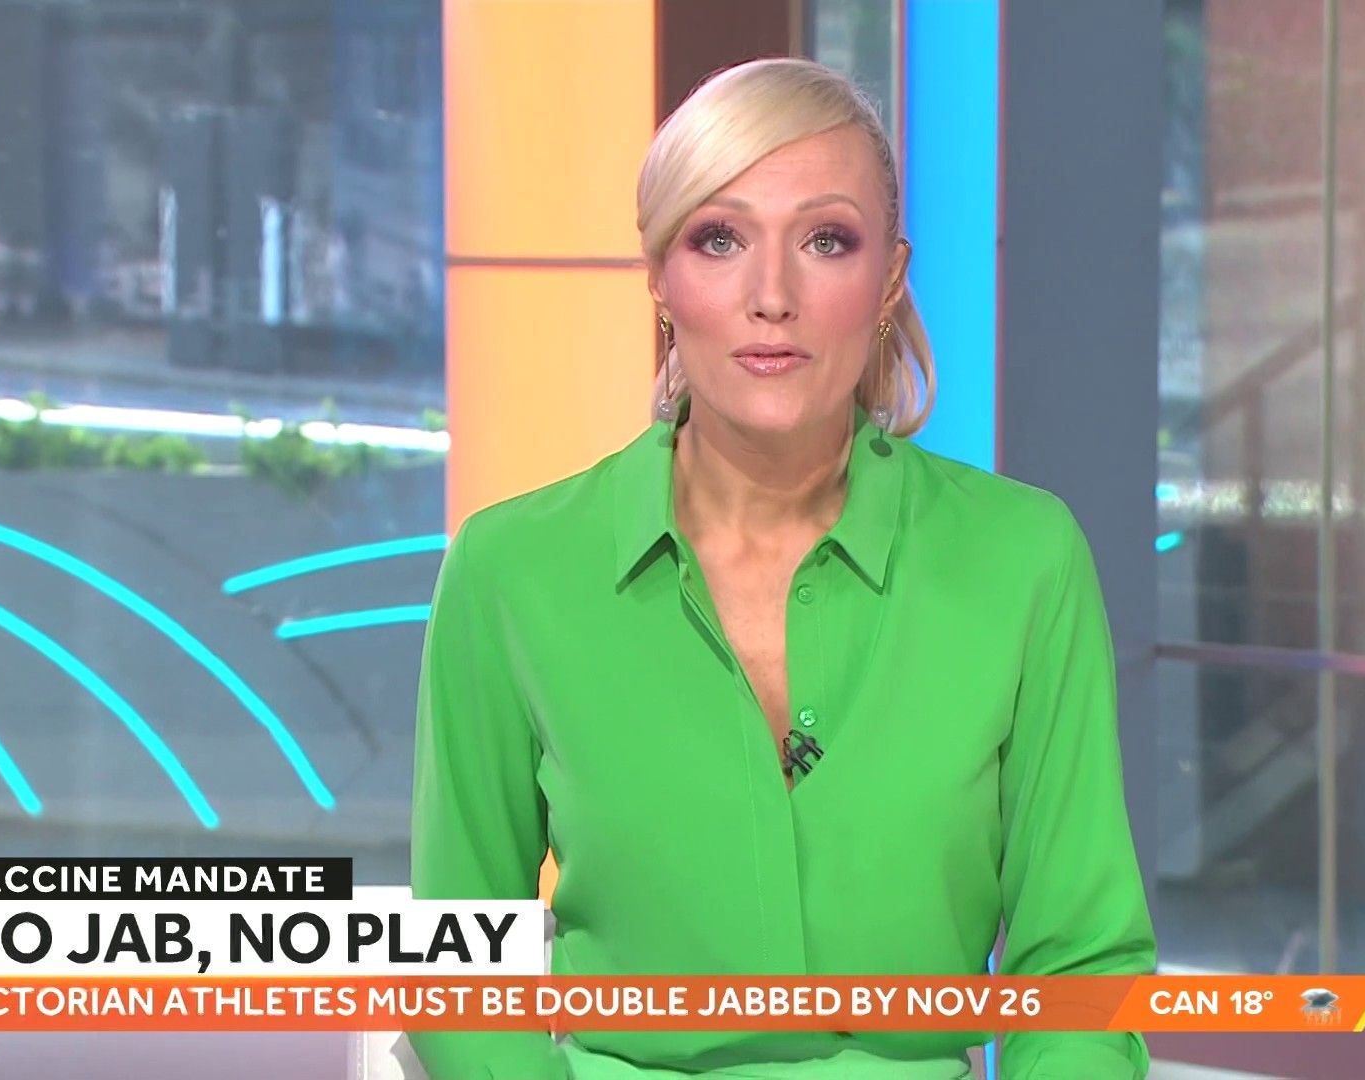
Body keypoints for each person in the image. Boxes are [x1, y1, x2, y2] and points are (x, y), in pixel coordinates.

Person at [410, 56, 1155, 1080]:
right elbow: (459, 975)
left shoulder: (1025, 559)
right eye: (719, 239)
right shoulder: (511, 569)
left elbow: (1080, 976)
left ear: (888, 279)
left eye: (825, 241)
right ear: (660, 277)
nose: (772, 296)